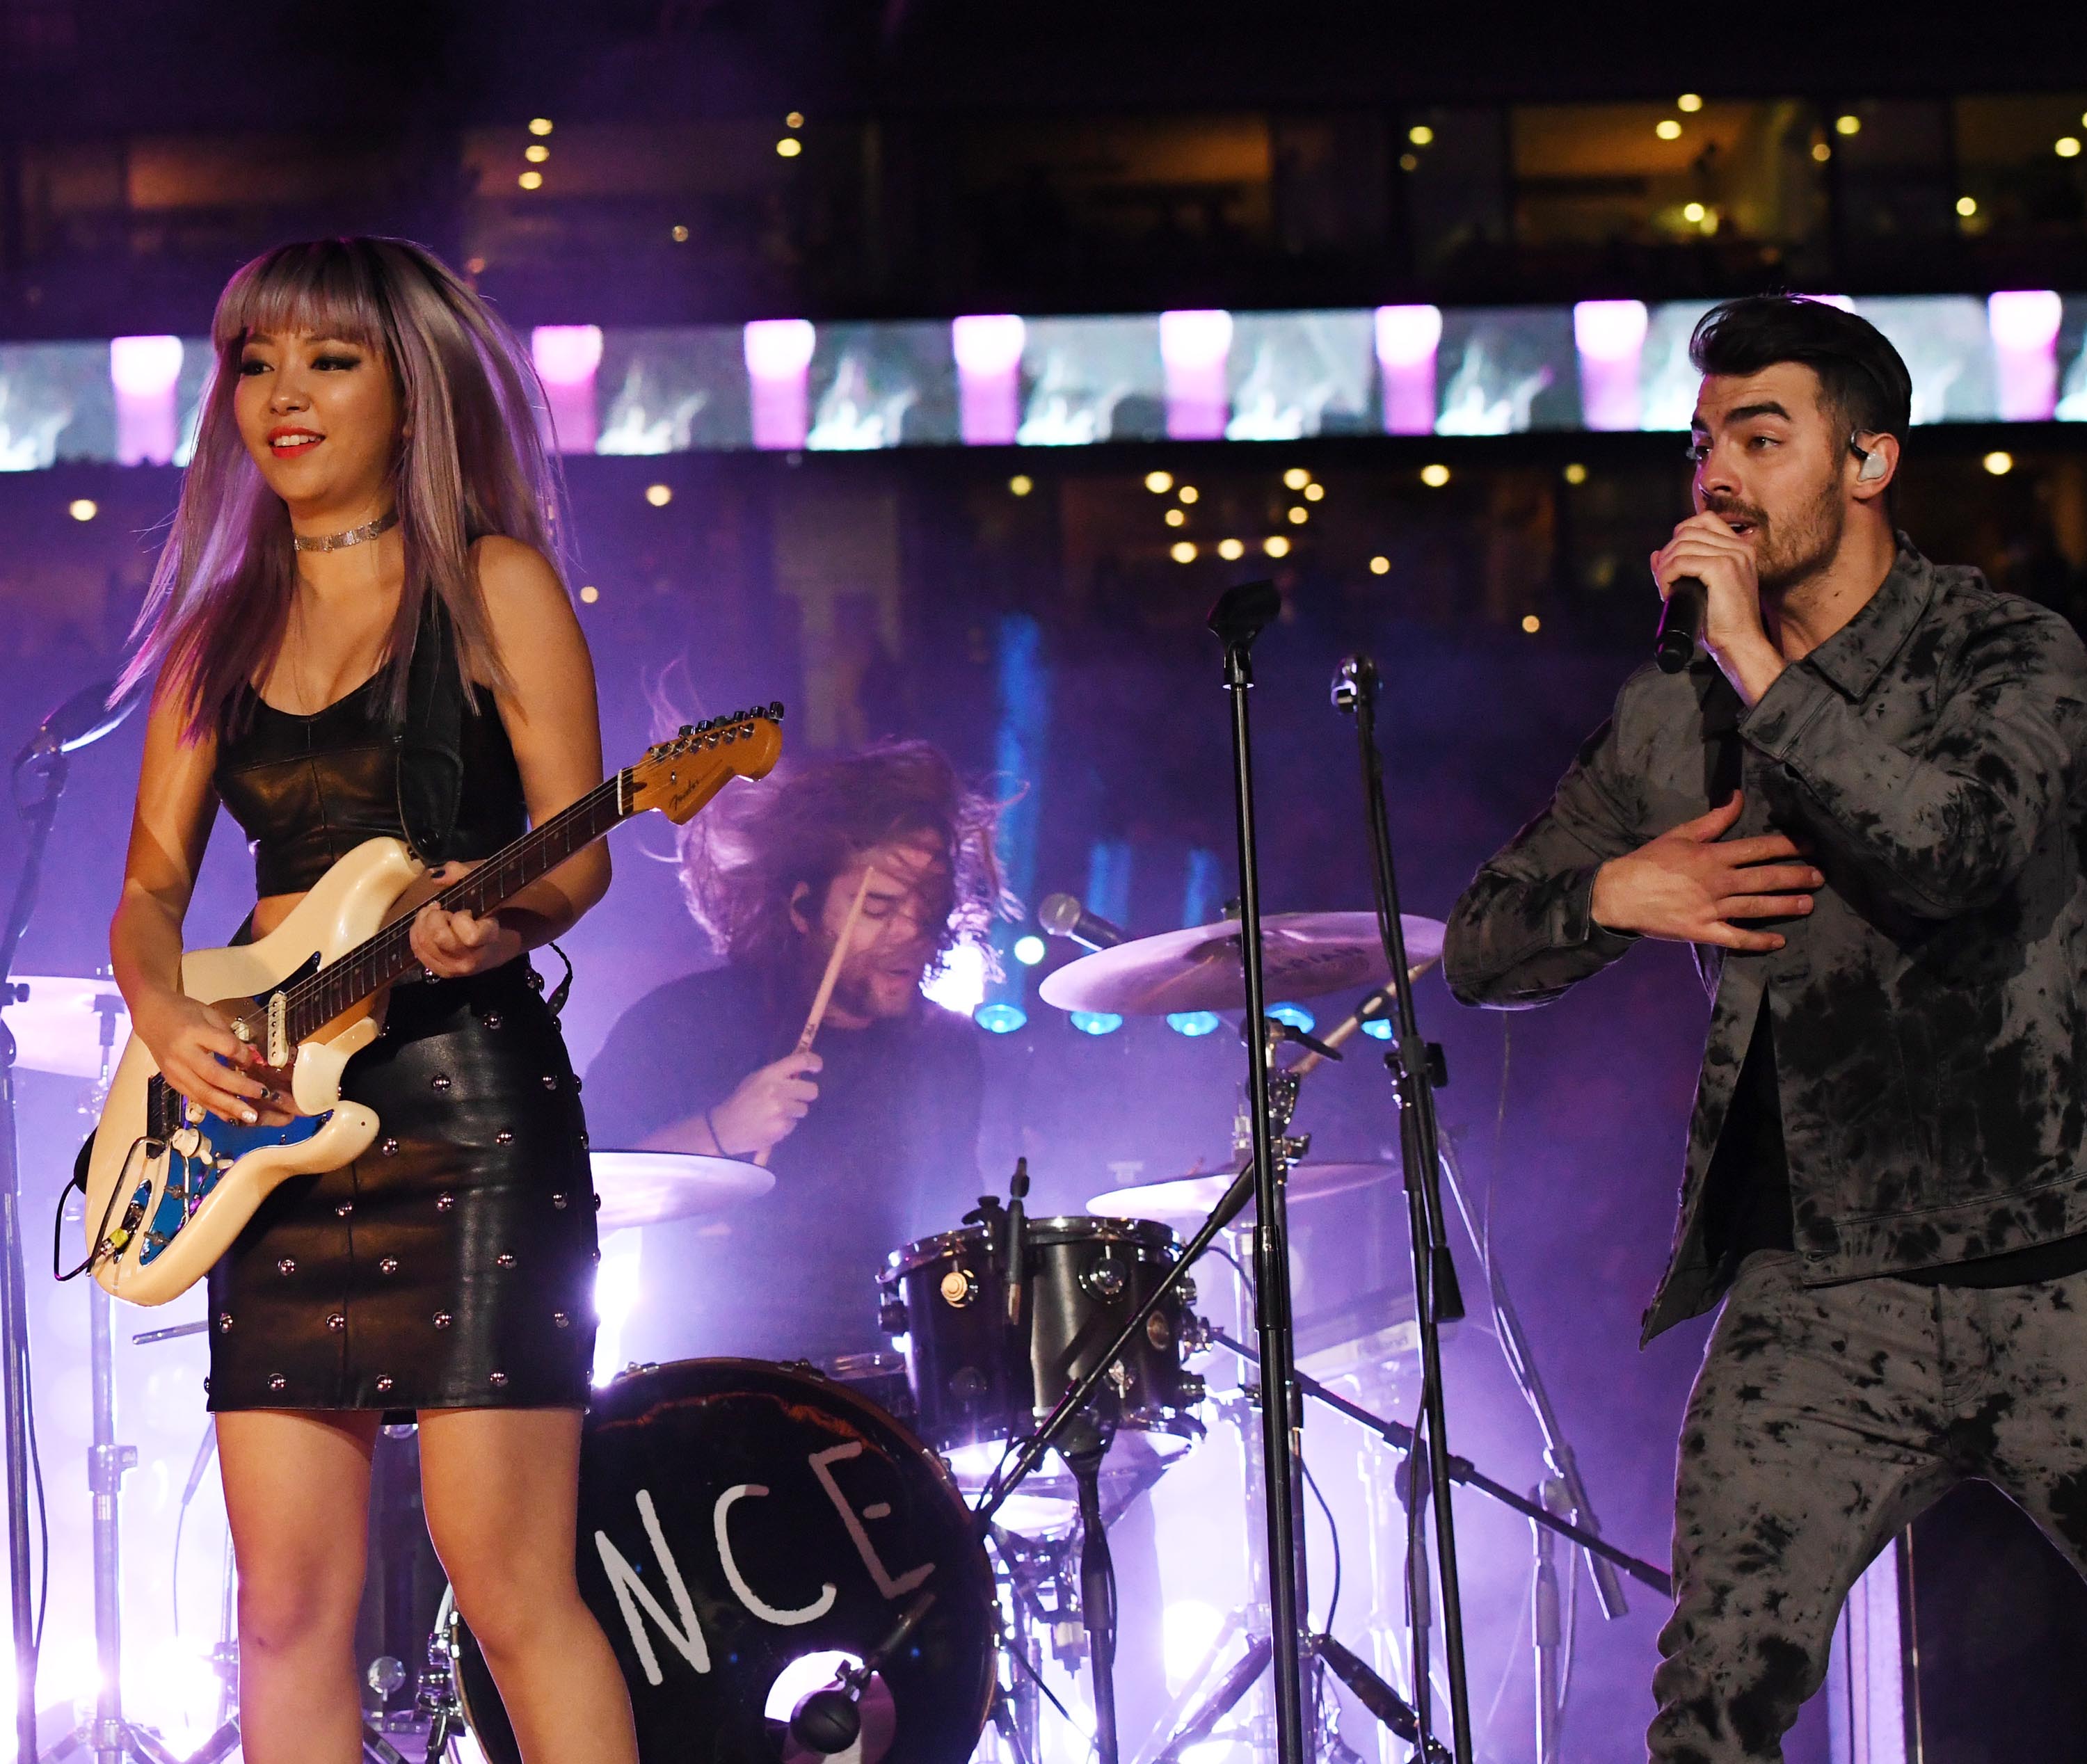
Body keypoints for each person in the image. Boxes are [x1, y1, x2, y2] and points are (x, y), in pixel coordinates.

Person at [1443, 294, 2087, 1761]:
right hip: (1824, 1302)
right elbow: (1483, 942)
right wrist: (1620, 883)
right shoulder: (1674, 711)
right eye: (1700, 441)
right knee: (1711, 1711)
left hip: (2059, 1272)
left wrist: (1755, 661)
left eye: (1761, 434)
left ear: (1866, 463)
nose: (1716, 475)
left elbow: (1954, 845)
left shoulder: (2009, 651)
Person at [106, 237, 638, 1763]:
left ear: (410, 394)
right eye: (257, 360)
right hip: (263, 1117)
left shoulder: (492, 582)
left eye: (328, 360)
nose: (281, 393)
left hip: (464, 1110)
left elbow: (579, 856)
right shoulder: (217, 630)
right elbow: (150, 889)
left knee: (510, 1581)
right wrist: (161, 1009)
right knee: (282, 1601)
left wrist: (500, 916)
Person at [583, 740, 1005, 1367]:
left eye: (928, 906)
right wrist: (719, 1131)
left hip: (880, 1389)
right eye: (880, 907)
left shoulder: (943, 1050)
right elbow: (570, 1198)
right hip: (700, 1385)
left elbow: (953, 1240)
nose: (911, 932)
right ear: (801, 908)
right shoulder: (686, 1023)